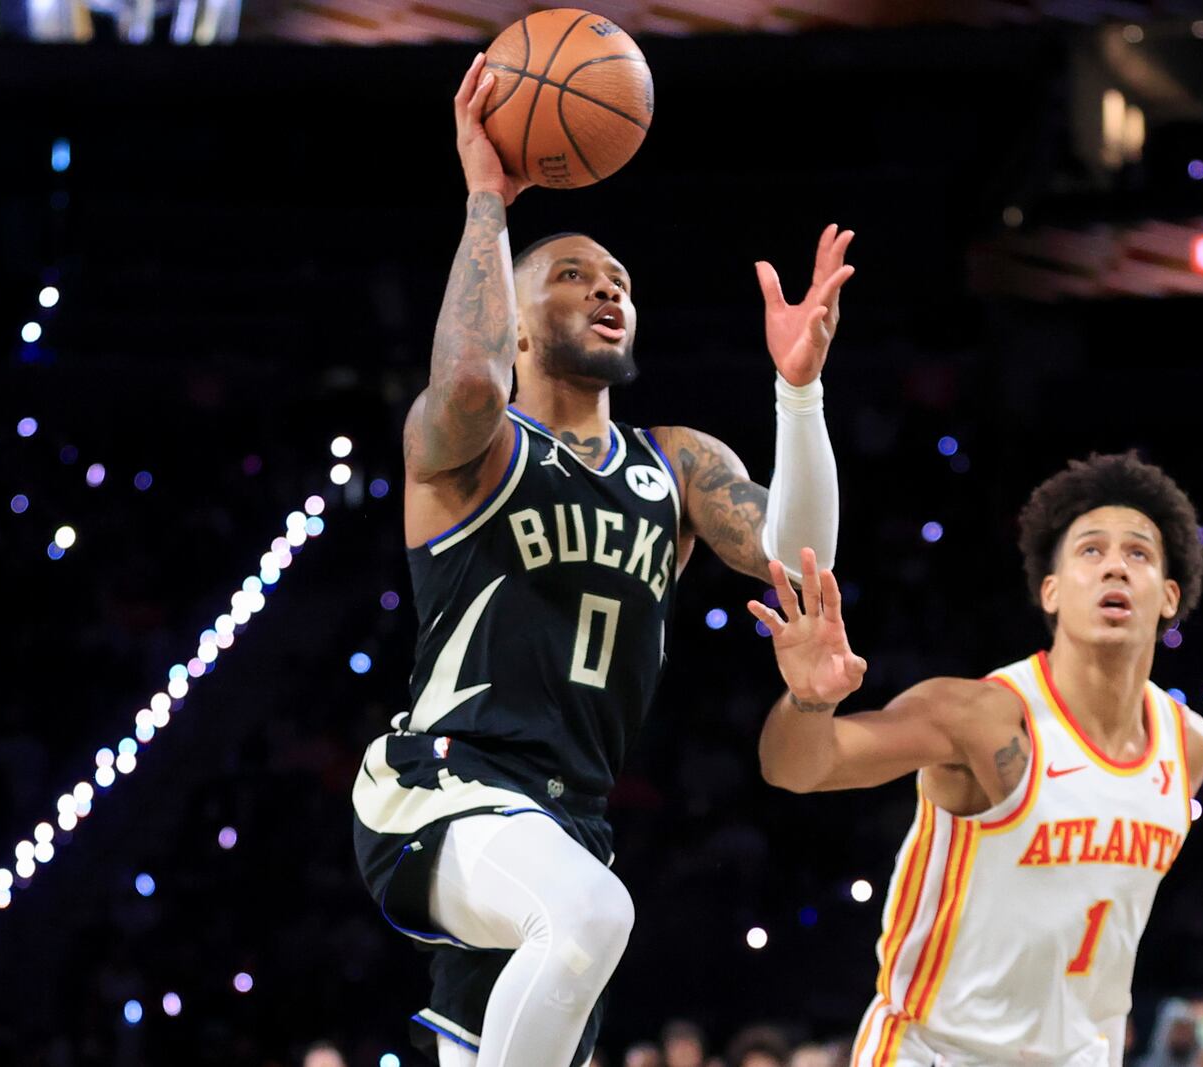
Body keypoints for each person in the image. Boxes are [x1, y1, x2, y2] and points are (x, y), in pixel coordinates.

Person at [352, 53, 854, 1067]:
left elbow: (800, 558)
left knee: (542, 980)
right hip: (446, 784)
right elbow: (462, 378)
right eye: (572, 276)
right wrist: (487, 200)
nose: (605, 289)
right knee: (588, 916)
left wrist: (796, 392)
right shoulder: (476, 447)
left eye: (618, 280)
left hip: (566, 817)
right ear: (518, 322)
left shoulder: (675, 461)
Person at [748, 453, 1203, 1066]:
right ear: (1050, 592)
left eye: (1138, 554)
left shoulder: (1187, 745)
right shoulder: (981, 716)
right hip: (935, 1052)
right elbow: (796, 769)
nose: (1115, 569)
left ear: (1168, 595)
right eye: (1090, 551)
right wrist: (808, 701)